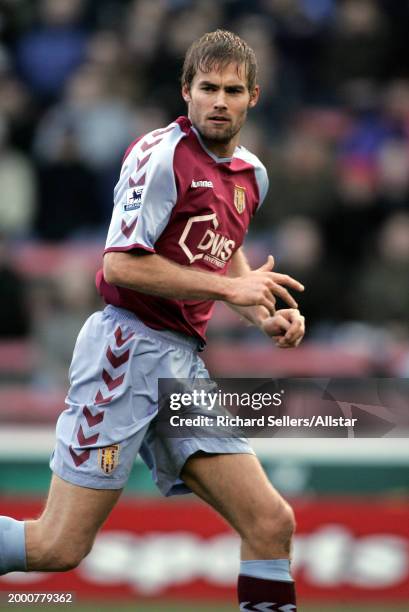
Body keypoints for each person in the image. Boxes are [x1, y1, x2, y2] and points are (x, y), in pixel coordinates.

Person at [0, 30, 305, 611]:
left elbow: (220, 251)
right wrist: (231, 287)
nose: (220, 100)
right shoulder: (160, 154)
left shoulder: (251, 176)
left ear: (253, 98)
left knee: (270, 522)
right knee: (58, 546)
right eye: (208, 88)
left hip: (181, 366)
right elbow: (123, 265)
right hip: (126, 352)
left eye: (232, 90)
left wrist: (258, 310)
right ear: (186, 91)